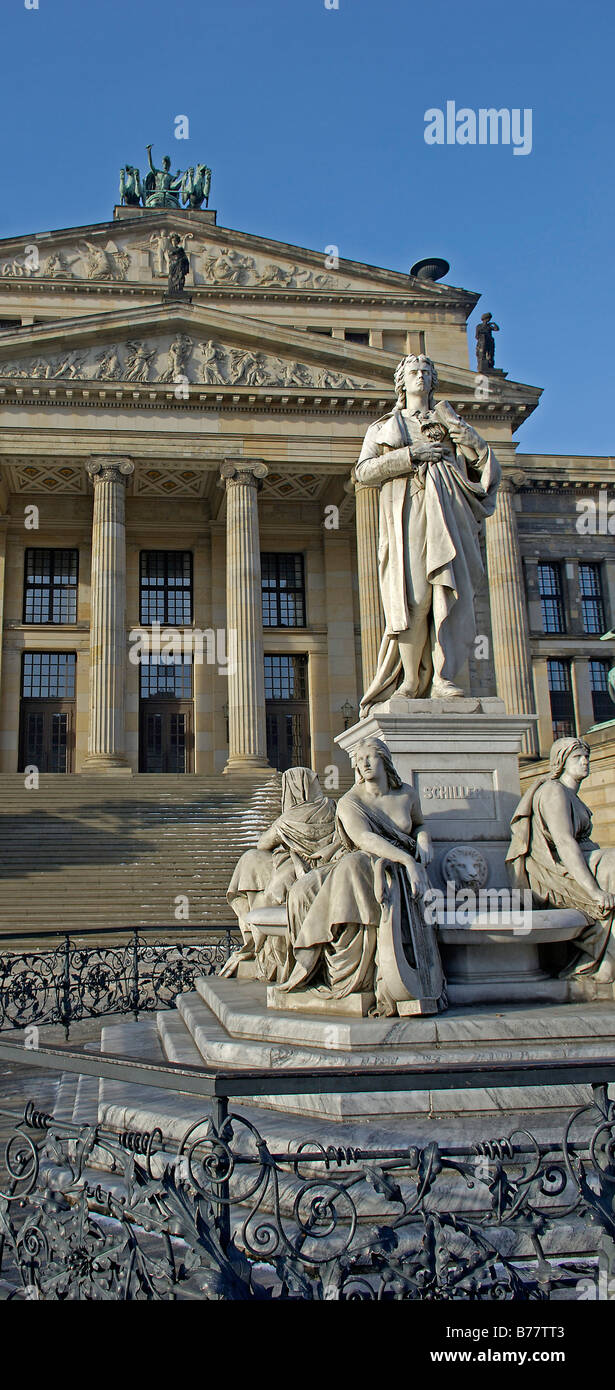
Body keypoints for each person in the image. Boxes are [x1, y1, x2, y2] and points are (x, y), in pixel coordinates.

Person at [356, 355, 500, 713]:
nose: (420, 377)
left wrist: (468, 439)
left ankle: (444, 677)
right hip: (407, 515)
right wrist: (410, 455)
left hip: (448, 514)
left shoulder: (451, 420)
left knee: (447, 595)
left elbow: (485, 467)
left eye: (426, 372)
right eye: (413, 373)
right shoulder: (384, 426)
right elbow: (364, 472)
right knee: (413, 599)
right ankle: (408, 680)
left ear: (434, 380)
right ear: (400, 383)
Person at [279, 738, 442, 1016]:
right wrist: (406, 859)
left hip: (389, 865)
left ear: (385, 760)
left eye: (371, 757)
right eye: (360, 759)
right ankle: (328, 969)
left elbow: (419, 824)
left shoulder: (407, 795)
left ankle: (366, 972)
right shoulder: (350, 801)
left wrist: (423, 838)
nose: (364, 763)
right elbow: (363, 838)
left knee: (353, 869)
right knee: (310, 888)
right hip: (369, 858)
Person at [506, 737, 615, 980]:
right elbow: (565, 844)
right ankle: (599, 959)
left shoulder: (570, 793)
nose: (585, 761)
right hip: (554, 872)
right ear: (561, 761)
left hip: (581, 860)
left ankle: (607, 958)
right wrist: (594, 891)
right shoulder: (553, 791)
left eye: (586, 756)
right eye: (577, 757)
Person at [221, 768, 338, 980]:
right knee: (257, 866)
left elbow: (263, 843)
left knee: (253, 864)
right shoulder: (332, 808)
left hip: (301, 874)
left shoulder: (289, 818)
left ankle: (260, 945)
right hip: (326, 869)